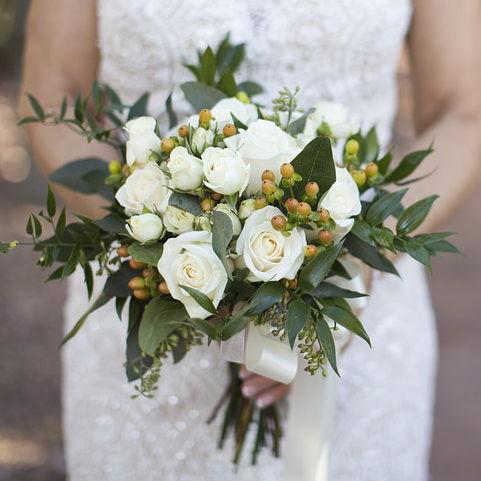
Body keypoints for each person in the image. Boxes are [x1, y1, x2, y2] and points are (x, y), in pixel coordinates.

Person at [19, 1, 481, 480]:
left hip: (357, 310)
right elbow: (54, 99)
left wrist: (348, 261)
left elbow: (462, 115)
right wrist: (161, 239)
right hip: (154, 302)